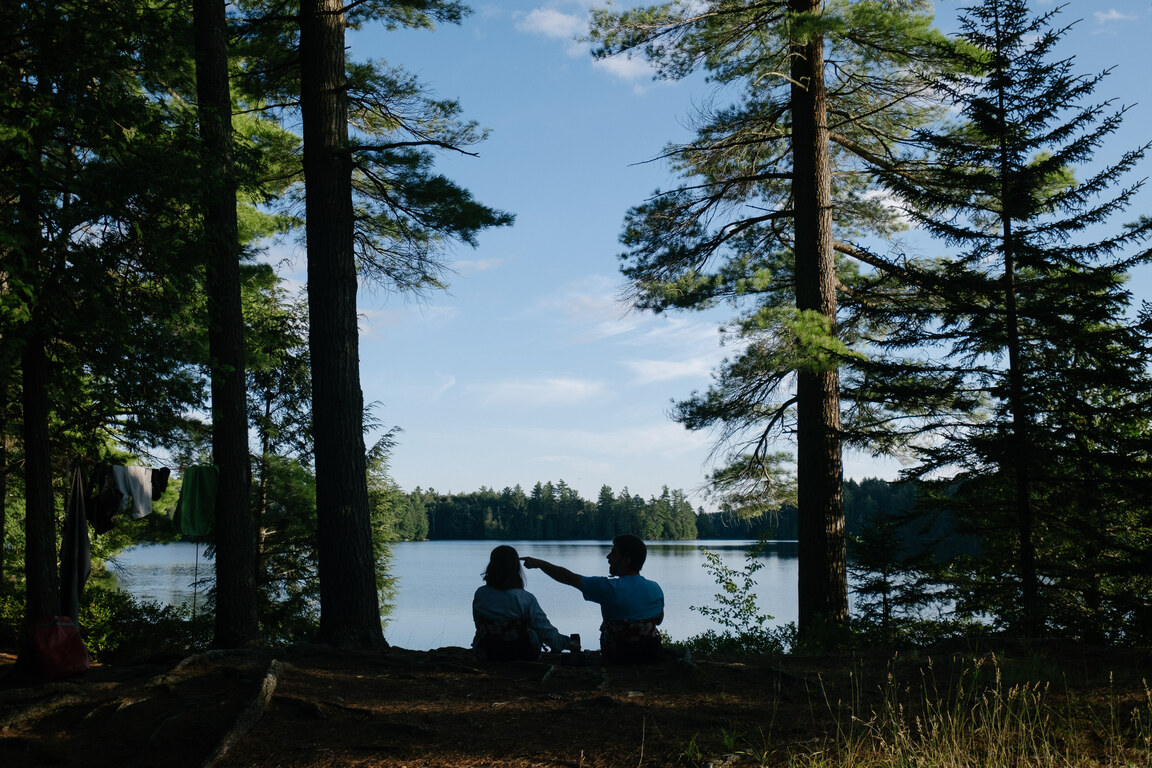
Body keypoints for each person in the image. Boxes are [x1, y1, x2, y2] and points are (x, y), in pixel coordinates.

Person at [522, 534, 665, 664]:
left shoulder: (608, 587)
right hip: (649, 654)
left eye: (613, 553)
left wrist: (540, 564)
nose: (608, 557)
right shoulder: (655, 589)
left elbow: (566, 577)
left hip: (617, 655)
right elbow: (658, 620)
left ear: (626, 561)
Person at [472, 545, 572, 661]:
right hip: (522, 654)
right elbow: (545, 631)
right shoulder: (525, 599)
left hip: (487, 653)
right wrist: (567, 643)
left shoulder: (480, 594)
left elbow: (478, 624)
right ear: (515, 568)